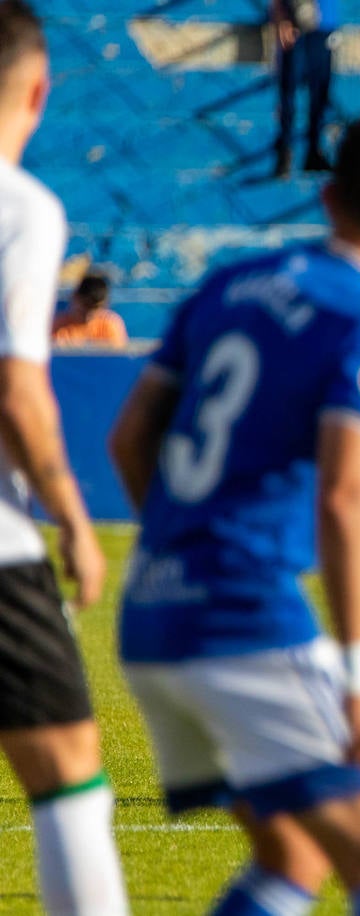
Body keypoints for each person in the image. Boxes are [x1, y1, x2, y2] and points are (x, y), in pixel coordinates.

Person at [108, 111, 360, 915]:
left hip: (151, 618)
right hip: (244, 624)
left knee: (290, 860)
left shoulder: (225, 287)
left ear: (327, 200)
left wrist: (185, 551)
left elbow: (128, 440)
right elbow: (347, 492)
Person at [0, 2, 129, 912]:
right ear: (40, 90)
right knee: (67, 770)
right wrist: (75, 520)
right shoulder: (23, 209)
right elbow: (17, 391)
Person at [270, 0, 338, 177]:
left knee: (320, 94)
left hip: (324, 26)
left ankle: (314, 152)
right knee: (289, 92)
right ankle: (285, 153)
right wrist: (282, 17)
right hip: (298, 25)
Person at [52, 270, 129, 347]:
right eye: (85, 305)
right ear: (75, 298)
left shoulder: (110, 324)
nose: (89, 313)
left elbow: (117, 355)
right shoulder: (56, 326)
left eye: (95, 307)